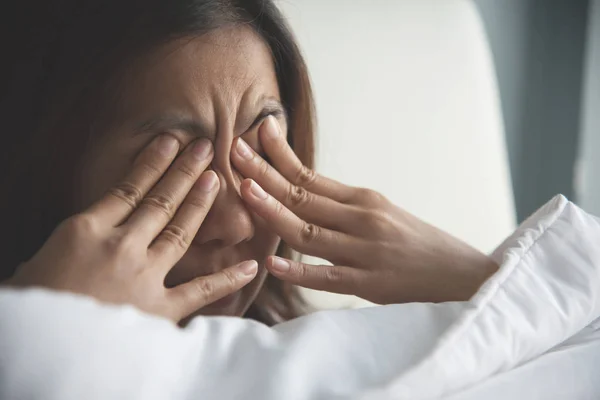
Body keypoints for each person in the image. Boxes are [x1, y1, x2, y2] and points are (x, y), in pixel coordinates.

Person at [1, 1, 599, 399]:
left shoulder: (339, 357)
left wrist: (483, 280)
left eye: (261, 147)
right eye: (167, 165)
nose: (237, 221)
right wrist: (54, 332)